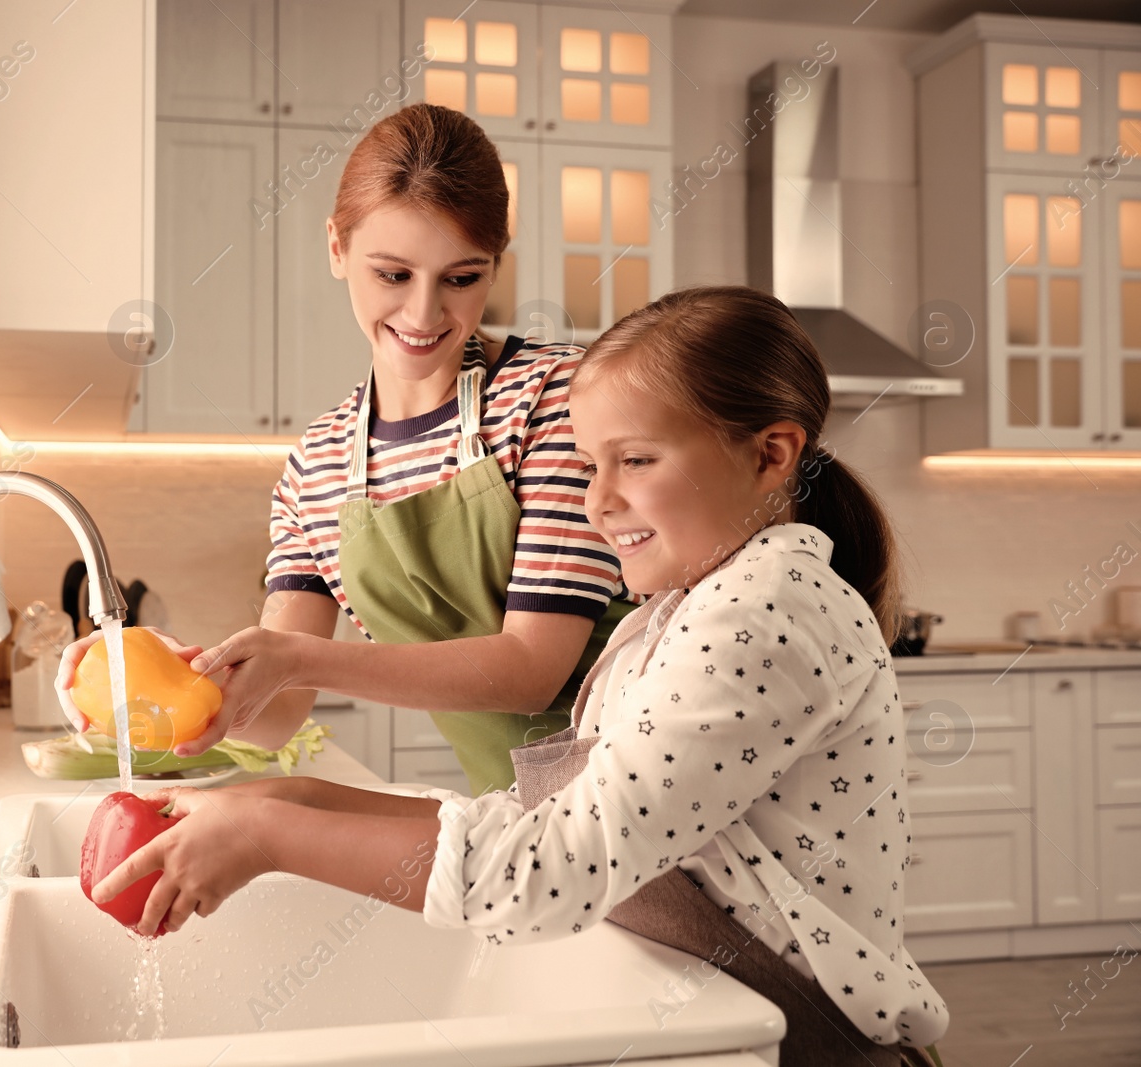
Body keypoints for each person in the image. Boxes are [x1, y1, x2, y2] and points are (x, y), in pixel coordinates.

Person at [90, 286, 950, 1067]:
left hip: (804, 1044)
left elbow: (554, 866)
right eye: (591, 464)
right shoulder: (685, 610)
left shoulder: (767, 612)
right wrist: (284, 804)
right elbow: (553, 823)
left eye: (635, 460)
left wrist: (267, 838)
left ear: (770, 457)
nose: (596, 500)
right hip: (726, 1021)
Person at [60, 102, 637, 796]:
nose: (424, 315)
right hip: (527, 825)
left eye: (462, 278)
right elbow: (276, 716)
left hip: (663, 798)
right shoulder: (319, 466)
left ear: (495, 265)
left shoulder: (556, 397)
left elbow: (530, 670)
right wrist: (167, 681)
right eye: (393, 274)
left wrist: (297, 657)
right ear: (336, 247)